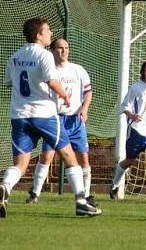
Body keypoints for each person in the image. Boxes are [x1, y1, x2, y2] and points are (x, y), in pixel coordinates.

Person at [0, 17, 101, 218]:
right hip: (44, 114)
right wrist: (65, 95)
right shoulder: (44, 55)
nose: (50, 33)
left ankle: (6, 186)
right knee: (69, 156)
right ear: (38, 35)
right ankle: (81, 202)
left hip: (19, 116)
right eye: (47, 30)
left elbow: (8, 82)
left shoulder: (15, 56)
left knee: (21, 164)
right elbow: (51, 81)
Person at [27, 38, 94, 205]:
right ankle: (35, 193)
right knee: (47, 156)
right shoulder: (47, 71)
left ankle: (85, 195)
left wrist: (84, 109)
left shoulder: (78, 70)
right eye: (60, 48)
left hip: (75, 120)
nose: (64, 51)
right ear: (52, 51)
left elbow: (88, 92)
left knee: (83, 157)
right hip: (54, 119)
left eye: (66, 48)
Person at [109, 57, 146, 201]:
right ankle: (114, 184)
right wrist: (132, 115)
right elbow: (124, 106)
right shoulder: (136, 87)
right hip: (138, 129)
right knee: (129, 161)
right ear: (143, 70)